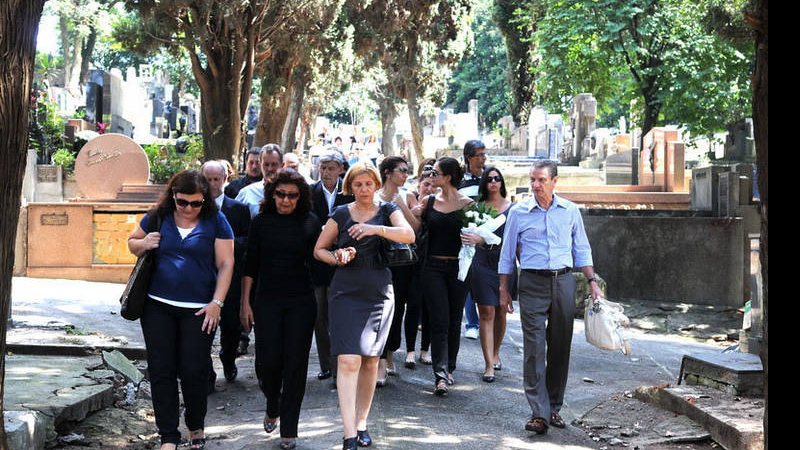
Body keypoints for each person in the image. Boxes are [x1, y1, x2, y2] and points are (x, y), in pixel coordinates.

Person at [127, 170, 234, 450]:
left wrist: (217, 303)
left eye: (195, 203)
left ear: (204, 201)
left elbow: (226, 264)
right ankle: (168, 436)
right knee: (162, 370)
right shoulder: (158, 215)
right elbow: (132, 242)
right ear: (173, 196)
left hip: (198, 310)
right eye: (182, 202)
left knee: (193, 370)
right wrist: (144, 243)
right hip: (157, 306)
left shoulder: (216, 221)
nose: (188, 208)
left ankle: (196, 425)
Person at [313, 162, 414, 450]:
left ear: (376, 184)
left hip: (379, 291)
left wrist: (374, 229)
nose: (363, 189)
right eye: (357, 184)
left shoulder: (388, 211)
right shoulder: (340, 214)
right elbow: (319, 249)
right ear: (350, 187)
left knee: (370, 360)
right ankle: (348, 434)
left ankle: (361, 423)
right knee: (348, 360)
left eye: (368, 184)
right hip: (345, 290)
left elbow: (409, 235)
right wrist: (337, 257)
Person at [498, 160, 602, 435]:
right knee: (534, 347)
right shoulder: (519, 212)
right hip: (531, 282)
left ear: (554, 181)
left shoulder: (569, 211)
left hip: (564, 281)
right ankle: (539, 413)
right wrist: (503, 288)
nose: (535, 185)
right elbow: (507, 253)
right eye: (533, 179)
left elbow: (582, 248)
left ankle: (553, 405)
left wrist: (592, 281)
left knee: (560, 344)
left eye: (541, 180)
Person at [240, 169, 321, 450]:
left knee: (295, 365)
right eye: (281, 195)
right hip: (267, 301)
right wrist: (244, 304)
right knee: (267, 362)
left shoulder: (311, 222)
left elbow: (320, 259)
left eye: (292, 196)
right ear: (272, 195)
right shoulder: (261, 222)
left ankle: (289, 429)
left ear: (301, 197)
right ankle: (272, 403)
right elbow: (250, 265)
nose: (286, 201)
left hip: (301, 300)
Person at [415, 157, 474, 397]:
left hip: (459, 269)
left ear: (448, 177)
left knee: (453, 319)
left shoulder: (468, 204)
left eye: (436, 172)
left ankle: (450, 367)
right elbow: (414, 226)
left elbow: (481, 234)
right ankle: (440, 375)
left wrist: (478, 239)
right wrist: (400, 204)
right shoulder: (428, 201)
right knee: (439, 319)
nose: (431, 175)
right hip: (432, 267)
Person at [461, 166, 514, 384]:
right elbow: (467, 234)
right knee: (486, 311)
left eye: (497, 178)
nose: (493, 182)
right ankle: (488, 364)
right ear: (485, 182)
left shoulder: (513, 209)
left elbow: (516, 241)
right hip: (481, 261)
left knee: (501, 310)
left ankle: (496, 352)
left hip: (504, 263)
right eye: (489, 179)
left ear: (502, 182)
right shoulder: (477, 207)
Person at [200, 161, 251, 388]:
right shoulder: (194, 207)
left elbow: (247, 240)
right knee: (201, 329)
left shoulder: (238, 209)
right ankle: (207, 374)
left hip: (231, 278)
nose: (212, 184)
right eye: (208, 179)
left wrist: (223, 245)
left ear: (225, 179)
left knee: (231, 327)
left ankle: (228, 358)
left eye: (216, 179)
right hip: (201, 278)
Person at [309, 151, 354, 383]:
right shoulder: (309, 193)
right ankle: (326, 365)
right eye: (323, 167)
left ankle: (340, 370)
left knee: (339, 318)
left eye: (331, 167)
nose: (326, 172)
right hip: (316, 266)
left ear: (340, 169)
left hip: (342, 264)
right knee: (319, 317)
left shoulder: (349, 194)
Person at [374, 156, 419, 384]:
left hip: (402, 263)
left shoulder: (408, 195)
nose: (405, 174)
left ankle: (390, 354)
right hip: (378, 260)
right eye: (401, 170)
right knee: (379, 310)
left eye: (407, 170)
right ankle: (380, 360)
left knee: (397, 309)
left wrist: (401, 204)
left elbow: (416, 229)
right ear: (388, 172)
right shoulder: (373, 196)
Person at [459, 140, 487, 341]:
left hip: (487, 234)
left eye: (484, 154)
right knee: (468, 276)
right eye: (479, 155)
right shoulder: (461, 180)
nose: (483, 158)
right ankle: (472, 322)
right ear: (469, 158)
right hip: (466, 232)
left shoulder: (489, 177)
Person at [236, 144, 282, 218]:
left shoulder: (291, 194)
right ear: (260, 164)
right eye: (266, 164)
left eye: (274, 164)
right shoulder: (246, 193)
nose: (270, 169)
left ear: (282, 165)